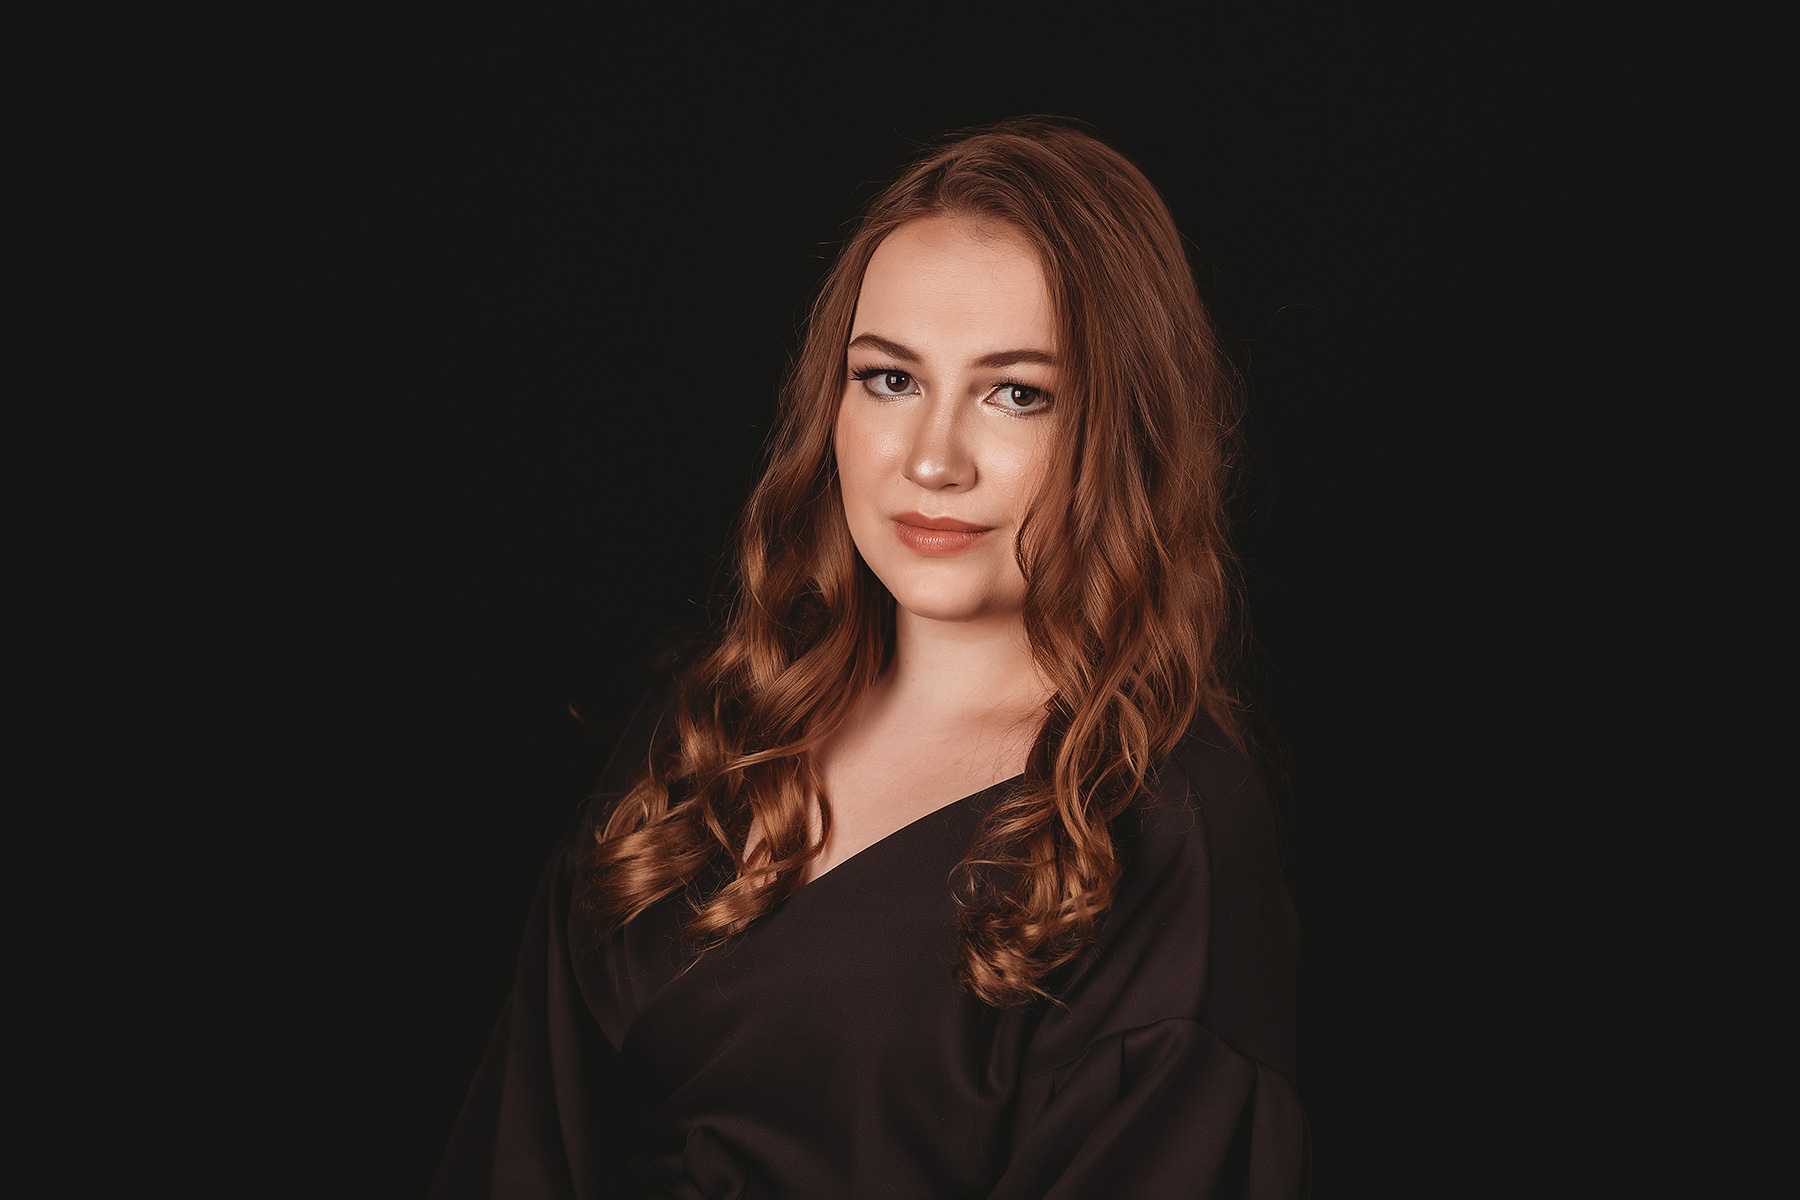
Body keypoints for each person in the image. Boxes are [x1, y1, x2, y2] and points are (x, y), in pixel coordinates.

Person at [432, 117, 1308, 1199]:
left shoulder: (1163, 827)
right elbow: (524, 1137)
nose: (932, 460)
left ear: (1121, 434)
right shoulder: (710, 726)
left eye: (1017, 393)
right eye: (890, 379)